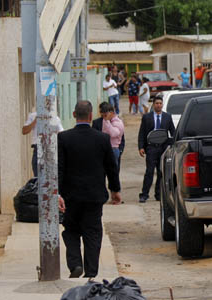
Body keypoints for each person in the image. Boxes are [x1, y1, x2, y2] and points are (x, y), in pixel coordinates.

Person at [58, 100, 121, 279]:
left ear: (73, 115)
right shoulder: (101, 139)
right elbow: (111, 167)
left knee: (70, 231)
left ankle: (75, 264)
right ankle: (91, 272)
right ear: (92, 116)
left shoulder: (63, 138)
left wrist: (58, 193)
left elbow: (59, 169)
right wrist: (115, 190)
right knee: (92, 233)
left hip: (71, 197)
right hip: (94, 197)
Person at [138, 98, 175, 203]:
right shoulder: (146, 117)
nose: (158, 105)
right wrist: (141, 147)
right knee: (149, 172)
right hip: (151, 148)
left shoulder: (167, 117)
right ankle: (144, 194)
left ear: (162, 104)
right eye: (156, 103)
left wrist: (173, 144)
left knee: (160, 172)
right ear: (153, 105)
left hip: (163, 148)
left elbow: (173, 131)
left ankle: (158, 194)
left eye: (160, 103)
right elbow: (142, 133)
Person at [22, 111, 64, 177]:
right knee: (37, 174)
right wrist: (35, 120)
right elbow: (24, 131)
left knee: (51, 174)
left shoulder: (55, 117)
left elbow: (61, 133)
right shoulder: (33, 116)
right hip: (38, 147)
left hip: (51, 148)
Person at [92, 102, 125, 169]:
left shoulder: (118, 122)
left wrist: (120, 150)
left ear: (111, 112)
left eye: (105, 114)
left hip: (113, 149)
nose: (103, 116)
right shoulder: (97, 122)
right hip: (102, 150)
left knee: (113, 173)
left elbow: (113, 134)